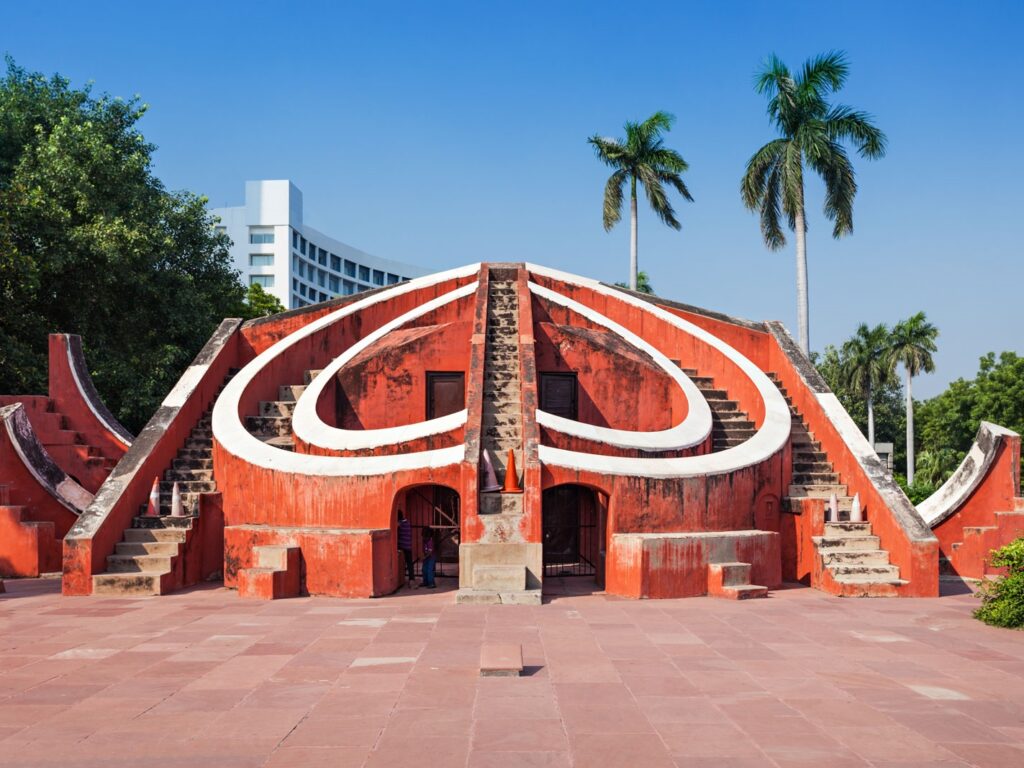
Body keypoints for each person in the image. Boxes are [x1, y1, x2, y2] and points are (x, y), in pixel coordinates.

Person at [396, 510, 414, 587]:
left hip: (402, 545)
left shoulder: (400, 524)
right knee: (409, 563)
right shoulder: (407, 522)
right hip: (408, 545)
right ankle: (411, 579)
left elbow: (396, 527)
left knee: (404, 562)